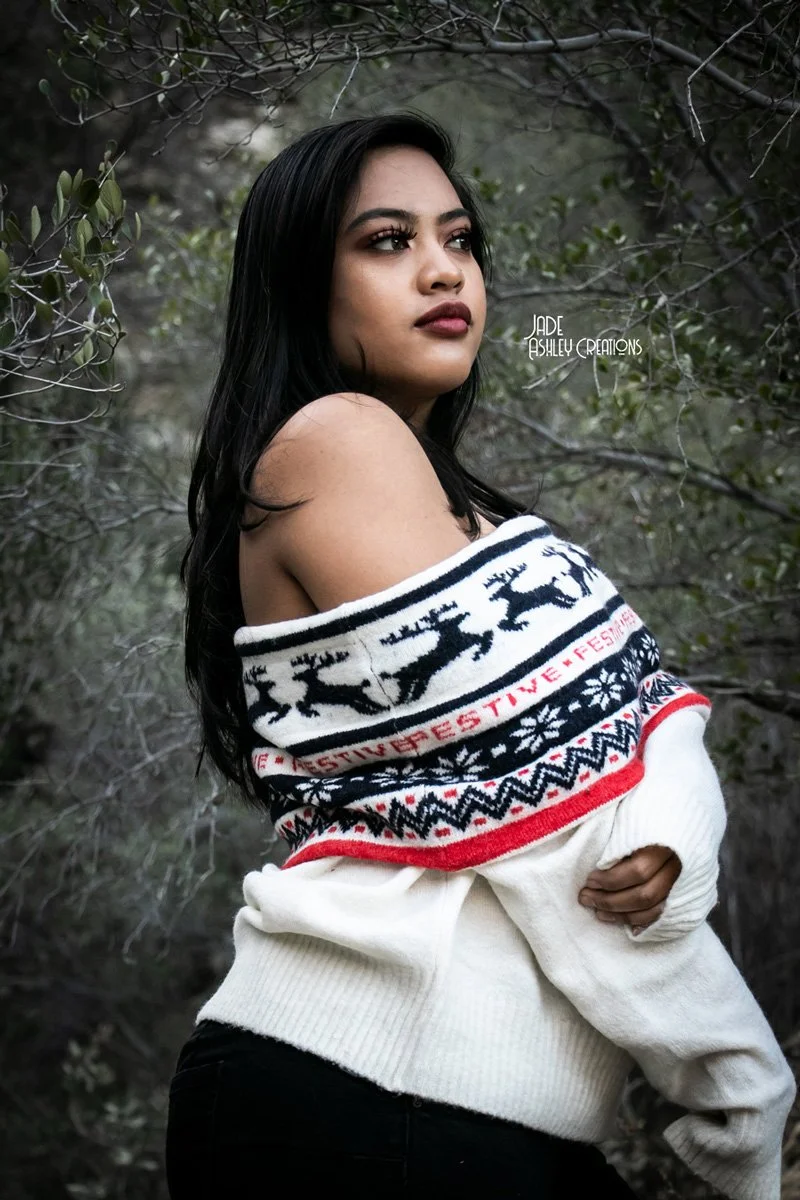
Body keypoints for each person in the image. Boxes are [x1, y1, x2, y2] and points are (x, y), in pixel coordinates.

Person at [167, 112, 794, 1198]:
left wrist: (664, 810)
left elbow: (650, 726)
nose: (442, 270)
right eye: (387, 242)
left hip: (446, 1115)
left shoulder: (475, 519)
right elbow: (554, 811)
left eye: (458, 239)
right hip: (367, 1094)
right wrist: (743, 1091)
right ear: (301, 284)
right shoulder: (337, 440)